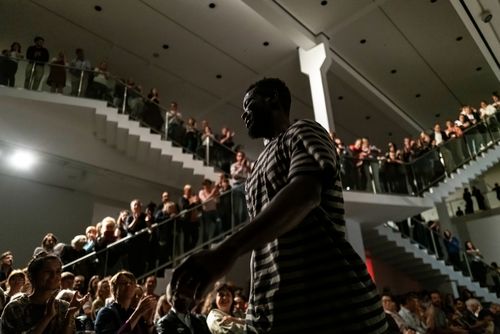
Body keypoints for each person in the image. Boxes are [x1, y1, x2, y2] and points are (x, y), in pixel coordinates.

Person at [170, 78, 388, 333]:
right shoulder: (253, 172)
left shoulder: (303, 131)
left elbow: (305, 194)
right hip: (273, 313)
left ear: (272, 99)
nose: (243, 115)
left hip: (333, 308)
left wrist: (227, 250)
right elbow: (267, 242)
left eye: (249, 105)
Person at [0, 254, 78, 333]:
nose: (54, 275)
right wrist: (47, 317)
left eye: (58, 271)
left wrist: (70, 316)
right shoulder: (15, 308)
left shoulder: (64, 307)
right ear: (31, 276)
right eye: (47, 271)